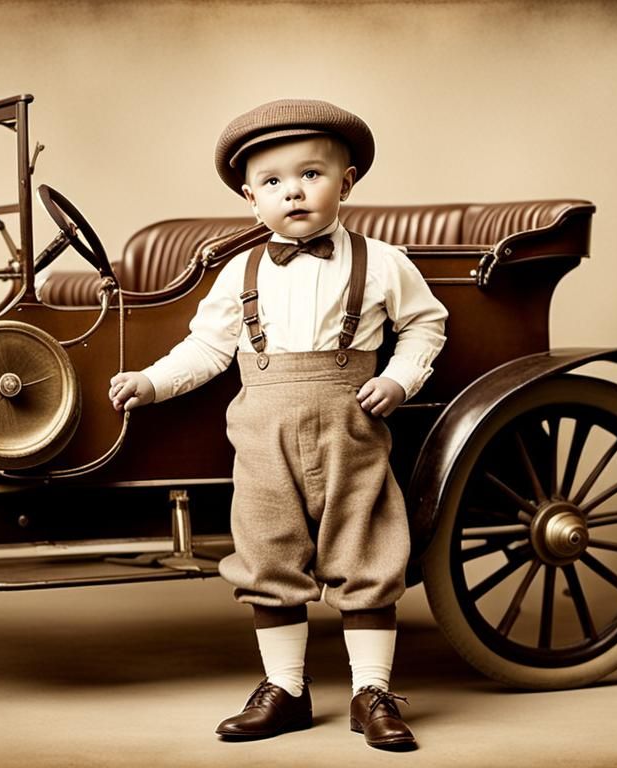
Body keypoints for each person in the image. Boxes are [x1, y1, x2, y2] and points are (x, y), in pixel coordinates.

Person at [108, 99, 447, 751]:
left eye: (312, 174)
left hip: (351, 426)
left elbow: (425, 325)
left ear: (346, 184)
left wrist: (401, 380)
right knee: (267, 552)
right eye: (272, 182)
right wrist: (151, 382)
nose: (293, 190)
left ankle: (372, 692)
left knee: (367, 549)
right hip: (262, 432)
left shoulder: (382, 262)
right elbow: (207, 348)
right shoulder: (242, 272)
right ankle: (285, 689)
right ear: (250, 199)